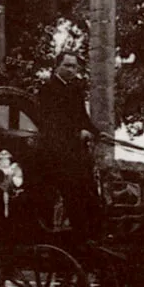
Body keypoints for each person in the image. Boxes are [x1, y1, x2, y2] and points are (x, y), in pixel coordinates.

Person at [38, 51, 104, 242]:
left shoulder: (76, 89)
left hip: (76, 154)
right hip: (56, 154)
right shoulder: (47, 89)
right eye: (67, 65)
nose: (71, 70)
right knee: (74, 194)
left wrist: (97, 133)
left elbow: (83, 118)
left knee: (91, 193)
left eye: (74, 66)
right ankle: (80, 238)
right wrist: (77, 133)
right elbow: (51, 123)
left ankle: (93, 235)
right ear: (56, 66)